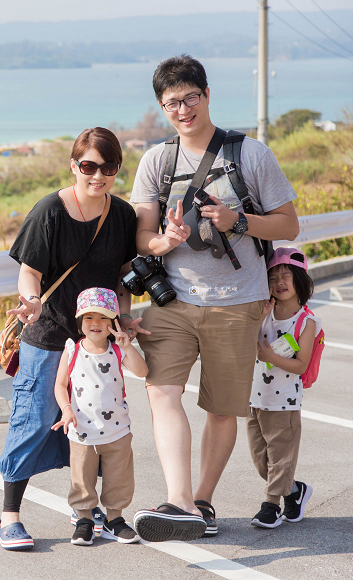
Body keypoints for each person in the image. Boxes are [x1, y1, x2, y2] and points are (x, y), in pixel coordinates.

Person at [130, 55, 300, 542]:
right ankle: (178, 500)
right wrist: (166, 239)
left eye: (189, 98)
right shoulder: (157, 161)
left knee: (223, 409)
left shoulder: (251, 154)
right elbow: (143, 236)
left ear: (206, 94)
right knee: (161, 390)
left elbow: (288, 224)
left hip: (237, 301)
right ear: (162, 108)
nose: (182, 110)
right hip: (174, 299)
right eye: (170, 103)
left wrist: (237, 222)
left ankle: (201, 502)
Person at [0, 127, 145, 551]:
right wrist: (30, 301)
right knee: (35, 419)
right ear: (74, 166)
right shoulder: (50, 211)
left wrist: (125, 319)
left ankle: (92, 509)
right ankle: (10, 517)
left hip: (97, 340)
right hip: (48, 337)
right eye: (89, 166)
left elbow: (121, 278)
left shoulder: (121, 215)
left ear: (117, 169)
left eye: (108, 167)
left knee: (97, 421)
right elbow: (30, 271)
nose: (98, 176)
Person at [51, 288, 148, 546]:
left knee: (120, 477)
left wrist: (129, 346)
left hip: (117, 430)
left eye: (104, 317)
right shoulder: (72, 350)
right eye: (89, 317)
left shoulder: (117, 350)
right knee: (82, 478)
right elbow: (60, 386)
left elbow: (142, 371)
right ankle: (84, 520)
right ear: (80, 321)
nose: (96, 323)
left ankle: (113, 520)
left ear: (114, 322)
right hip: (82, 430)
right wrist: (66, 409)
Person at [248, 247, 318, 528]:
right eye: (273, 276)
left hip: (285, 400)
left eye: (285, 275)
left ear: (300, 280)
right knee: (260, 457)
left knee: (280, 456)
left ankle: (271, 506)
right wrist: (258, 317)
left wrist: (271, 358)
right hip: (255, 397)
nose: (279, 281)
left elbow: (301, 365)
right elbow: (249, 344)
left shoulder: (306, 321)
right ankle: (293, 490)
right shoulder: (264, 312)